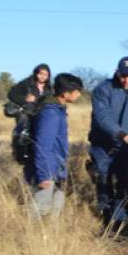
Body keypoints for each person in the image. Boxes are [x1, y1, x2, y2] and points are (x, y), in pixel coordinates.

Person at [88, 56, 128, 226]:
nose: (125, 79)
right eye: (122, 75)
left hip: (127, 146)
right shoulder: (103, 89)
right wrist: (124, 135)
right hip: (104, 144)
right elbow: (103, 118)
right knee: (104, 177)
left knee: (126, 180)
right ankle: (106, 219)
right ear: (117, 72)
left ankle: (121, 220)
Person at [23, 73, 83, 219]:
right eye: (77, 91)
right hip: (47, 172)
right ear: (65, 93)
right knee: (39, 212)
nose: (79, 94)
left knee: (54, 212)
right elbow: (42, 146)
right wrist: (44, 176)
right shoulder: (51, 114)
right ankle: (33, 240)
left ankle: (50, 240)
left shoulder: (58, 110)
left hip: (55, 169)